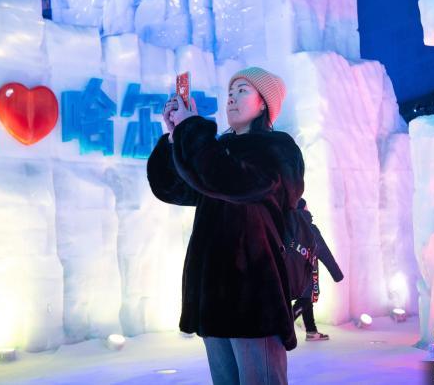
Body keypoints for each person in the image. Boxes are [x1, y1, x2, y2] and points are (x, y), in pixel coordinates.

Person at [147, 67, 304, 385]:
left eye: (243, 91)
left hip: (254, 298)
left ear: (264, 103)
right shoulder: (218, 151)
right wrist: (175, 137)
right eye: (230, 92)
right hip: (212, 297)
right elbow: (172, 189)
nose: (231, 98)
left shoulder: (277, 148)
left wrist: (192, 130)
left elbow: (235, 181)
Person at [291, 199, 345, 341]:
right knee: (305, 300)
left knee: (306, 299)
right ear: (304, 208)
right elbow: (323, 251)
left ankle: (311, 331)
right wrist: (337, 274)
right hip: (308, 271)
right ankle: (285, 322)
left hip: (292, 272)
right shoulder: (310, 228)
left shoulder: (288, 227)